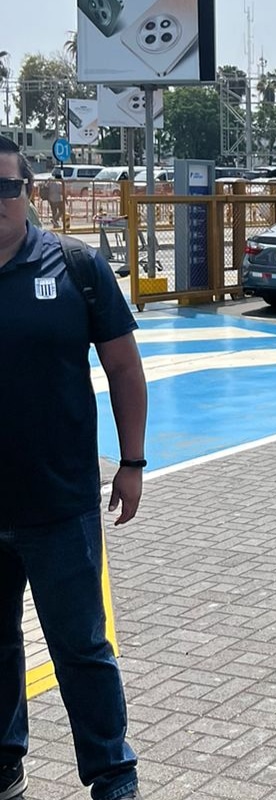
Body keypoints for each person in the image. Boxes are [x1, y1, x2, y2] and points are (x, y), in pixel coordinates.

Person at [0, 136, 146, 800]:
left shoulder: (75, 265)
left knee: (81, 649)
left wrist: (132, 462)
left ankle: (113, 774)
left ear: (29, 192)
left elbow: (124, 368)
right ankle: (5, 762)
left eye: (5, 187)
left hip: (60, 505)